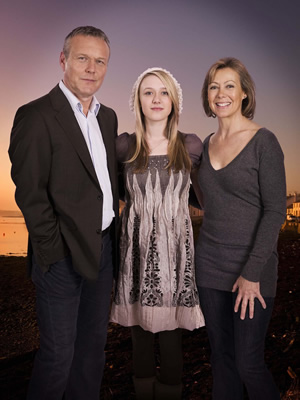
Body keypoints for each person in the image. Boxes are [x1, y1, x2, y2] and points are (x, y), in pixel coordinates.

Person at [8, 26, 119, 400]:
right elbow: (30, 193)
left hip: (103, 253)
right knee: (58, 356)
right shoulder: (35, 115)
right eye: (82, 58)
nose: (91, 68)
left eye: (99, 61)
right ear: (63, 60)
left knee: (92, 352)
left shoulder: (108, 118)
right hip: (61, 258)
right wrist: (52, 252)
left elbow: (104, 182)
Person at [194, 57, 286, 399]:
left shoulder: (264, 142)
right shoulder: (205, 145)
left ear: (244, 93)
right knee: (222, 360)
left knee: (249, 363)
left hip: (252, 271)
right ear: (207, 95)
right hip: (210, 267)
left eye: (229, 85)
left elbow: (275, 210)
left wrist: (251, 273)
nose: (221, 93)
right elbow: (208, 202)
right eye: (214, 86)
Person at [110, 67, 205, 399]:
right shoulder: (124, 146)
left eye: (164, 92)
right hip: (135, 250)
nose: (156, 99)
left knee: (170, 335)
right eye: (148, 91)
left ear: (175, 101)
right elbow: (114, 192)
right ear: (138, 98)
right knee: (139, 334)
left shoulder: (189, 145)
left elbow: (204, 194)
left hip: (175, 254)